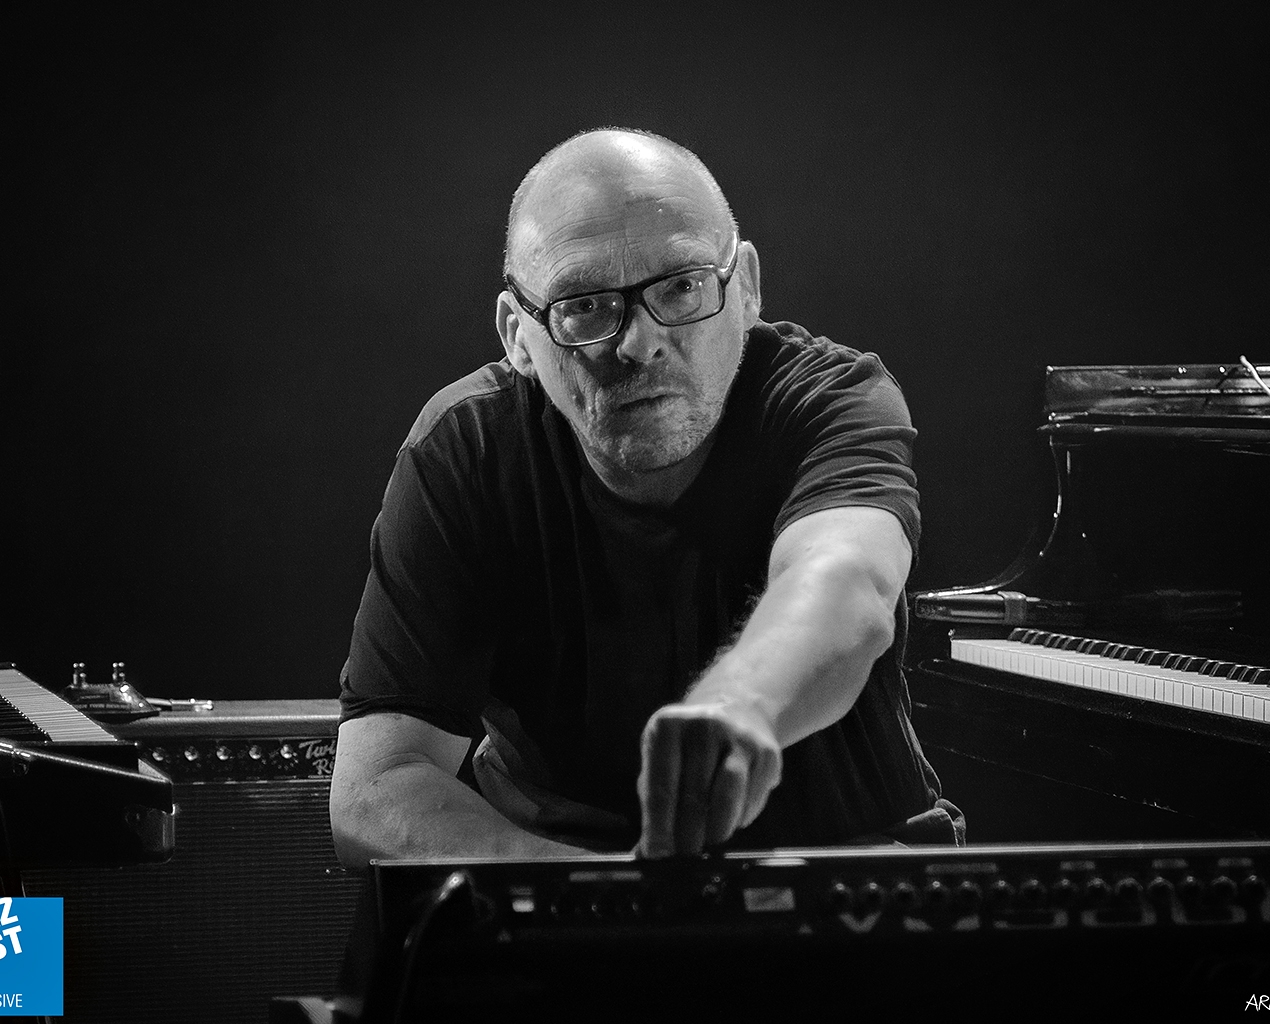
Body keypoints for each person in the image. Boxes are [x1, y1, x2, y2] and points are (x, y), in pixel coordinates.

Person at [329, 127, 961, 865]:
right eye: (585, 305)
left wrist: (740, 704)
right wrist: (614, 901)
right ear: (517, 335)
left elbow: (847, 579)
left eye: (682, 286)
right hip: (552, 889)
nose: (640, 342)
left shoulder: (830, 399)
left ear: (746, 288)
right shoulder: (466, 449)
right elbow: (376, 789)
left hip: (852, 870)